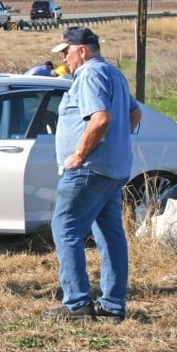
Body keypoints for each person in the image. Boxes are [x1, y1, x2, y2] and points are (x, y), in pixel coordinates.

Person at [44, 26, 142, 322]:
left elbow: (100, 119)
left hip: (89, 169)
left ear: (81, 50)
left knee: (66, 228)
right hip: (113, 169)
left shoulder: (89, 75)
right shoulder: (113, 73)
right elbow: (135, 115)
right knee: (110, 234)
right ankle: (113, 305)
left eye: (67, 53)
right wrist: (114, 144)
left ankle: (76, 303)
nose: (65, 60)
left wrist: (80, 154)